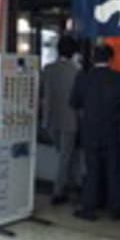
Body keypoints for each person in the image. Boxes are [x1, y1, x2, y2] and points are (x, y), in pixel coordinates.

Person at [70, 44, 120, 221]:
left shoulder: (83, 77)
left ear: (93, 58)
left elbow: (74, 102)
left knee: (92, 170)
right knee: (114, 170)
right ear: (111, 59)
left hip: (90, 130)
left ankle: (89, 208)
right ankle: (115, 209)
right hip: (112, 130)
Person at [41, 36, 80, 206]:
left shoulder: (48, 69)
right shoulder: (77, 71)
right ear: (73, 53)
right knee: (65, 156)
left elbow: (42, 92)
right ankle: (58, 192)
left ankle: (70, 184)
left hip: (50, 119)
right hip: (70, 120)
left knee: (63, 155)